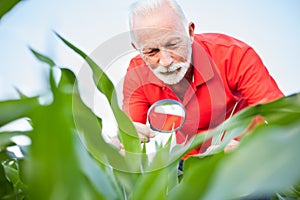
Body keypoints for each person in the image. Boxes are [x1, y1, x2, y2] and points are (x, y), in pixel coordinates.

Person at [122, 0, 284, 157]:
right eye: (151, 51)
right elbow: (128, 142)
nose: (166, 62)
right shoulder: (137, 74)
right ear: (137, 49)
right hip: (190, 163)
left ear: (190, 32)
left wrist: (250, 151)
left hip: (247, 153)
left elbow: (286, 120)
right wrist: (127, 140)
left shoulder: (234, 55)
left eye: (173, 45)